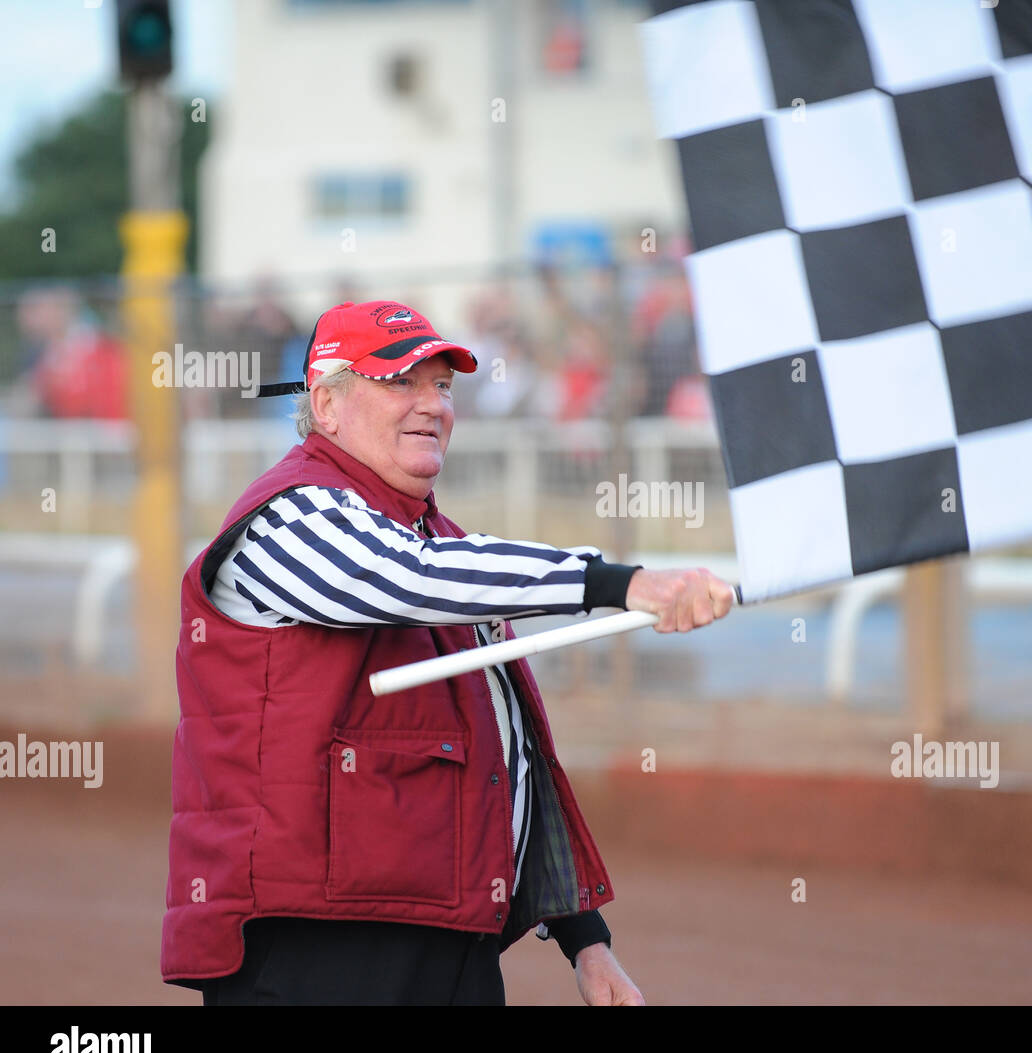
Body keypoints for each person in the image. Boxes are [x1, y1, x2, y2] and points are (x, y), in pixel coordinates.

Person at [161, 300, 732, 1005]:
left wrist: (586, 939)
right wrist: (622, 584)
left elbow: (511, 753)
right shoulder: (290, 514)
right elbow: (399, 578)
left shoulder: (443, 548)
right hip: (314, 944)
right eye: (401, 382)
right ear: (327, 405)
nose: (432, 404)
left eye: (442, 386)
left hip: (448, 937)